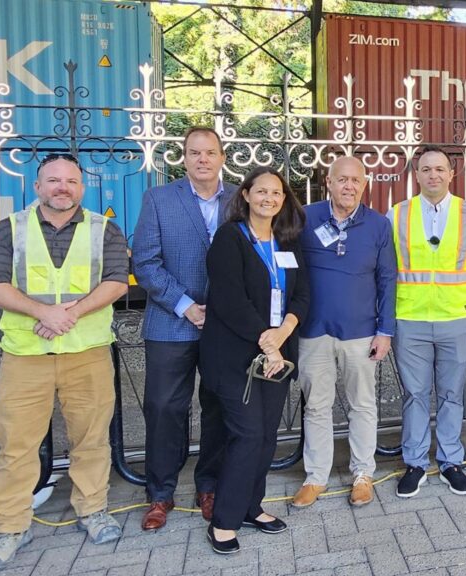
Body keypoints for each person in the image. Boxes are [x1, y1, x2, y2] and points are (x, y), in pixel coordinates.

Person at [0, 154, 130, 571]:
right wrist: (44, 313)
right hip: (26, 355)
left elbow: (116, 281)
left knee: (92, 439)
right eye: (54, 181)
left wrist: (69, 314)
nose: (63, 187)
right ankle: (9, 528)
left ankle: (92, 509)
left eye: (71, 181)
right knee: (16, 445)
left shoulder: (104, 229)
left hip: (88, 352)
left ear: (82, 187)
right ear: (37, 186)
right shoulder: (8, 230)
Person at [199, 167, 310, 554]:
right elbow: (230, 302)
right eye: (261, 191)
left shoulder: (287, 240)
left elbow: (302, 296)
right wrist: (270, 343)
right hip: (235, 357)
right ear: (245, 195)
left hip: (274, 355)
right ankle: (224, 521)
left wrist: (283, 334)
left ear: (284, 199)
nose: (269, 198)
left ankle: (251, 506)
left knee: (265, 435)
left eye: (276, 192)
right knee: (246, 434)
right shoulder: (229, 239)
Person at [132, 127, 233, 530]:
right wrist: (186, 305)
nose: (202, 159)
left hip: (224, 328)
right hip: (171, 322)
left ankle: (209, 485)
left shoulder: (240, 198)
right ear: (184, 158)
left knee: (218, 408)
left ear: (222, 157)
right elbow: (145, 263)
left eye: (210, 152)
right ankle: (160, 493)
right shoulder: (159, 198)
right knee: (163, 409)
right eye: (194, 153)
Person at [388, 145, 466, 498]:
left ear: (451, 174)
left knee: (451, 395)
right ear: (416, 175)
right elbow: (388, 264)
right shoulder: (397, 214)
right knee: (415, 394)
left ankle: (451, 462)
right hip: (411, 318)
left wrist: (460, 288)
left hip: (454, 317)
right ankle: (415, 463)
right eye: (426, 169)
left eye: (440, 169)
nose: (433, 175)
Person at [293, 156, 396, 508]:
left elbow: (387, 279)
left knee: (362, 405)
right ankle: (316, 476)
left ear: (364, 185)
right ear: (329, 183)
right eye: (342, 180)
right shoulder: (305, 218)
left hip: (361, 330)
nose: (349, 186)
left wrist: (386, 330)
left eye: (356, 180)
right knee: (316, 406)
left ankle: (363, 474)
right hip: (313, 330)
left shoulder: (379, 225)